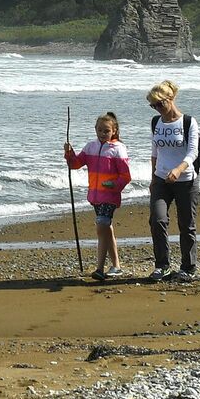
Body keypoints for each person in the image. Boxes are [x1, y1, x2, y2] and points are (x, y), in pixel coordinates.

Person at [145, 80, 200, 282]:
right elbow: (154, 152)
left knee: (187, 225)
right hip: (161, 179)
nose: (158, 109)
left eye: (160, 104)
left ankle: (188, 267)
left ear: (171, 99)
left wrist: (178, 169)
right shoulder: (155, 122)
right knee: (157, 220)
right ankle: (162, 266)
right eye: (153, 106)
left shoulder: (188, 122)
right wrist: (153, 178)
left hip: (186, 180)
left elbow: (192, 152)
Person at [64, 111, 132, 280]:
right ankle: (116, 266)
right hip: (95, 196)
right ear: (95, 129)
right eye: (100, 130)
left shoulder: (118, 149)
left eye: (106, 131)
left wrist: (113, 185)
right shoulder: (90, 147)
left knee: (102, 225)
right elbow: (75, 164)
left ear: (114, 131)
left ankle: (99, 269)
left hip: (110, 195)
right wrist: (69, 153)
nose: (102, 134)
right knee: (106, 229)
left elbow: (125, 176)